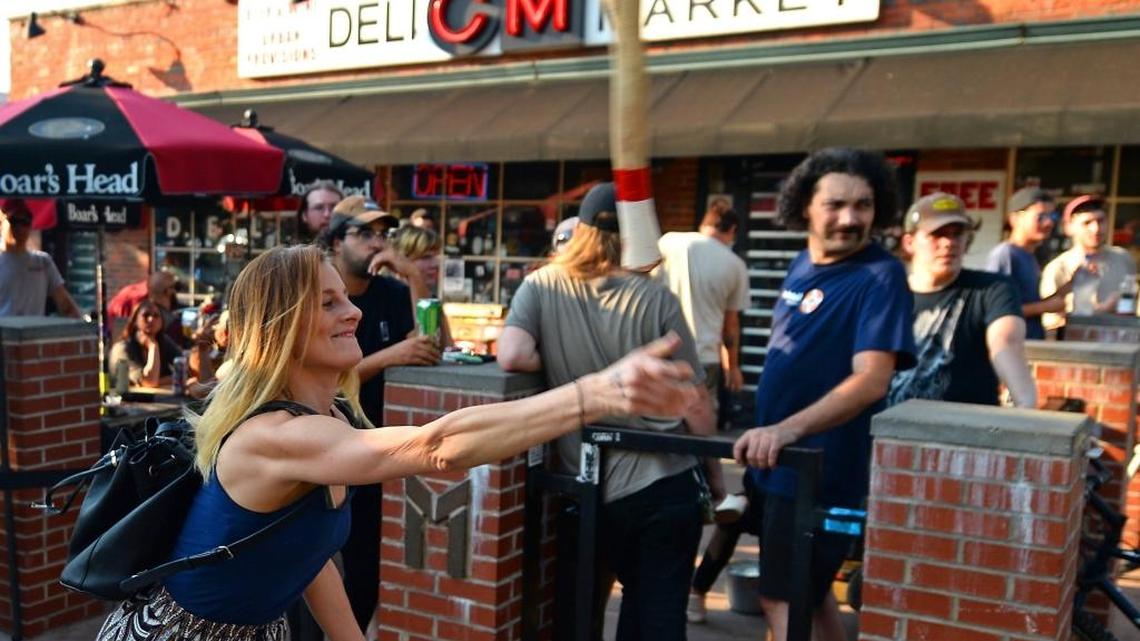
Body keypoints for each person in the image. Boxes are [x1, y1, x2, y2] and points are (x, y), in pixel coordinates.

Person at [95, 244, 698, 641]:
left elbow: (301, 550)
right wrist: (595, 393)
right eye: (328, 302)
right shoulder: (273, 437)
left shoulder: (327, 415)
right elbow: (438, 446)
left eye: (346, 297)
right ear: (280, 327)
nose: (353, 312)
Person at [498, 182, 720, 641]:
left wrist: (560, 360)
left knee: (577, 613)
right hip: (663, 483)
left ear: (580, 230)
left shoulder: (541, 284)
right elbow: (698, 407)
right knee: (656, 618)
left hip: (585, 486)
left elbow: (512, 354)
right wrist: (716, 477)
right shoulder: (655, 297)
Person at [732, 148, 916, 641]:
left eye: (863, 205)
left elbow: (872, 380)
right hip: (777, 463)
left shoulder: (881, 276)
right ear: (805, 208)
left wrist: (785, 429)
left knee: (781, 599)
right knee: (810, 595)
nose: (850, 219)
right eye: (835, 205)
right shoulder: (800, 263)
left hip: (823, 473)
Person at [314, 196, 439, 637]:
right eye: (364, 233)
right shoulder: (319, 299)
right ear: (335, 241)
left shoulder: (392, 292)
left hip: (377, 448)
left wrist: (412, 276)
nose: (377, 243)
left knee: (367, 568)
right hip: (323, 447)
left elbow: (432, 345)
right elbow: (321, 378)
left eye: (383, 234)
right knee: (316, 566)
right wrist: (391, 355)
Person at [888, 193, 1036, 408]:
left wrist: (1025, 404)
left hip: (966, 424)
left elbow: (1006, 343)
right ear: (909, 242)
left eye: (957, 234)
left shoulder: (992, 288)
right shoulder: (887, 294)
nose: (948, 243)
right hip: (891, 423)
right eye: (937, 234)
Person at [656, 203, 750, 425]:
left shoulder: (668, 242)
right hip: (705, 358)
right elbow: (730, 325)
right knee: (701, 423)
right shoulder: (735, 265)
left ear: (704, 224)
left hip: (664, 351)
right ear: (732, 230)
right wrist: (732, 366)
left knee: (661, 419)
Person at [1041, 195, 1138, 333]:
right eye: (1087, 223)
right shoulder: (1058, 267)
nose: (1096, 228)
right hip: (1077, 344)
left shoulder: (1123, 258)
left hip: (1120, 340)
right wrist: (1102, 311)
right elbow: (1049, 323)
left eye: (1101, 221)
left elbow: (1131, 304)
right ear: (1069, 227)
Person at [984, 187, 1071, 340]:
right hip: (1011, 345)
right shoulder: (1006, 254)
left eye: (1053, 216)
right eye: (1040, 217)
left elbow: (1027, 303)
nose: (1048, 222)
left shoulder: (1030, 255)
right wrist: (1046, 307)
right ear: (1015, 219)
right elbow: (998, 309)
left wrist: (1065, 289)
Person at [0, 198, 81, 318]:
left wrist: (83, 326)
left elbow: (66, 305)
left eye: (26, 221)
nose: (20, 228)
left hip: (34, 329)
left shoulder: (43, 262)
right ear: (2, 223)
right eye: (14, 221)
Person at [108, 300, 188, 389]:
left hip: (159, 395)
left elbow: (187, 371)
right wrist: (152, 346)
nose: (151, 319)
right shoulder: (122, 348)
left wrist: (160, 381)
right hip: (127, 397)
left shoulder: (164, 341)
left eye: (156, 316)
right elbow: (150, 381)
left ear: (161, 322)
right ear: (135, 321)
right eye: (145, 315)